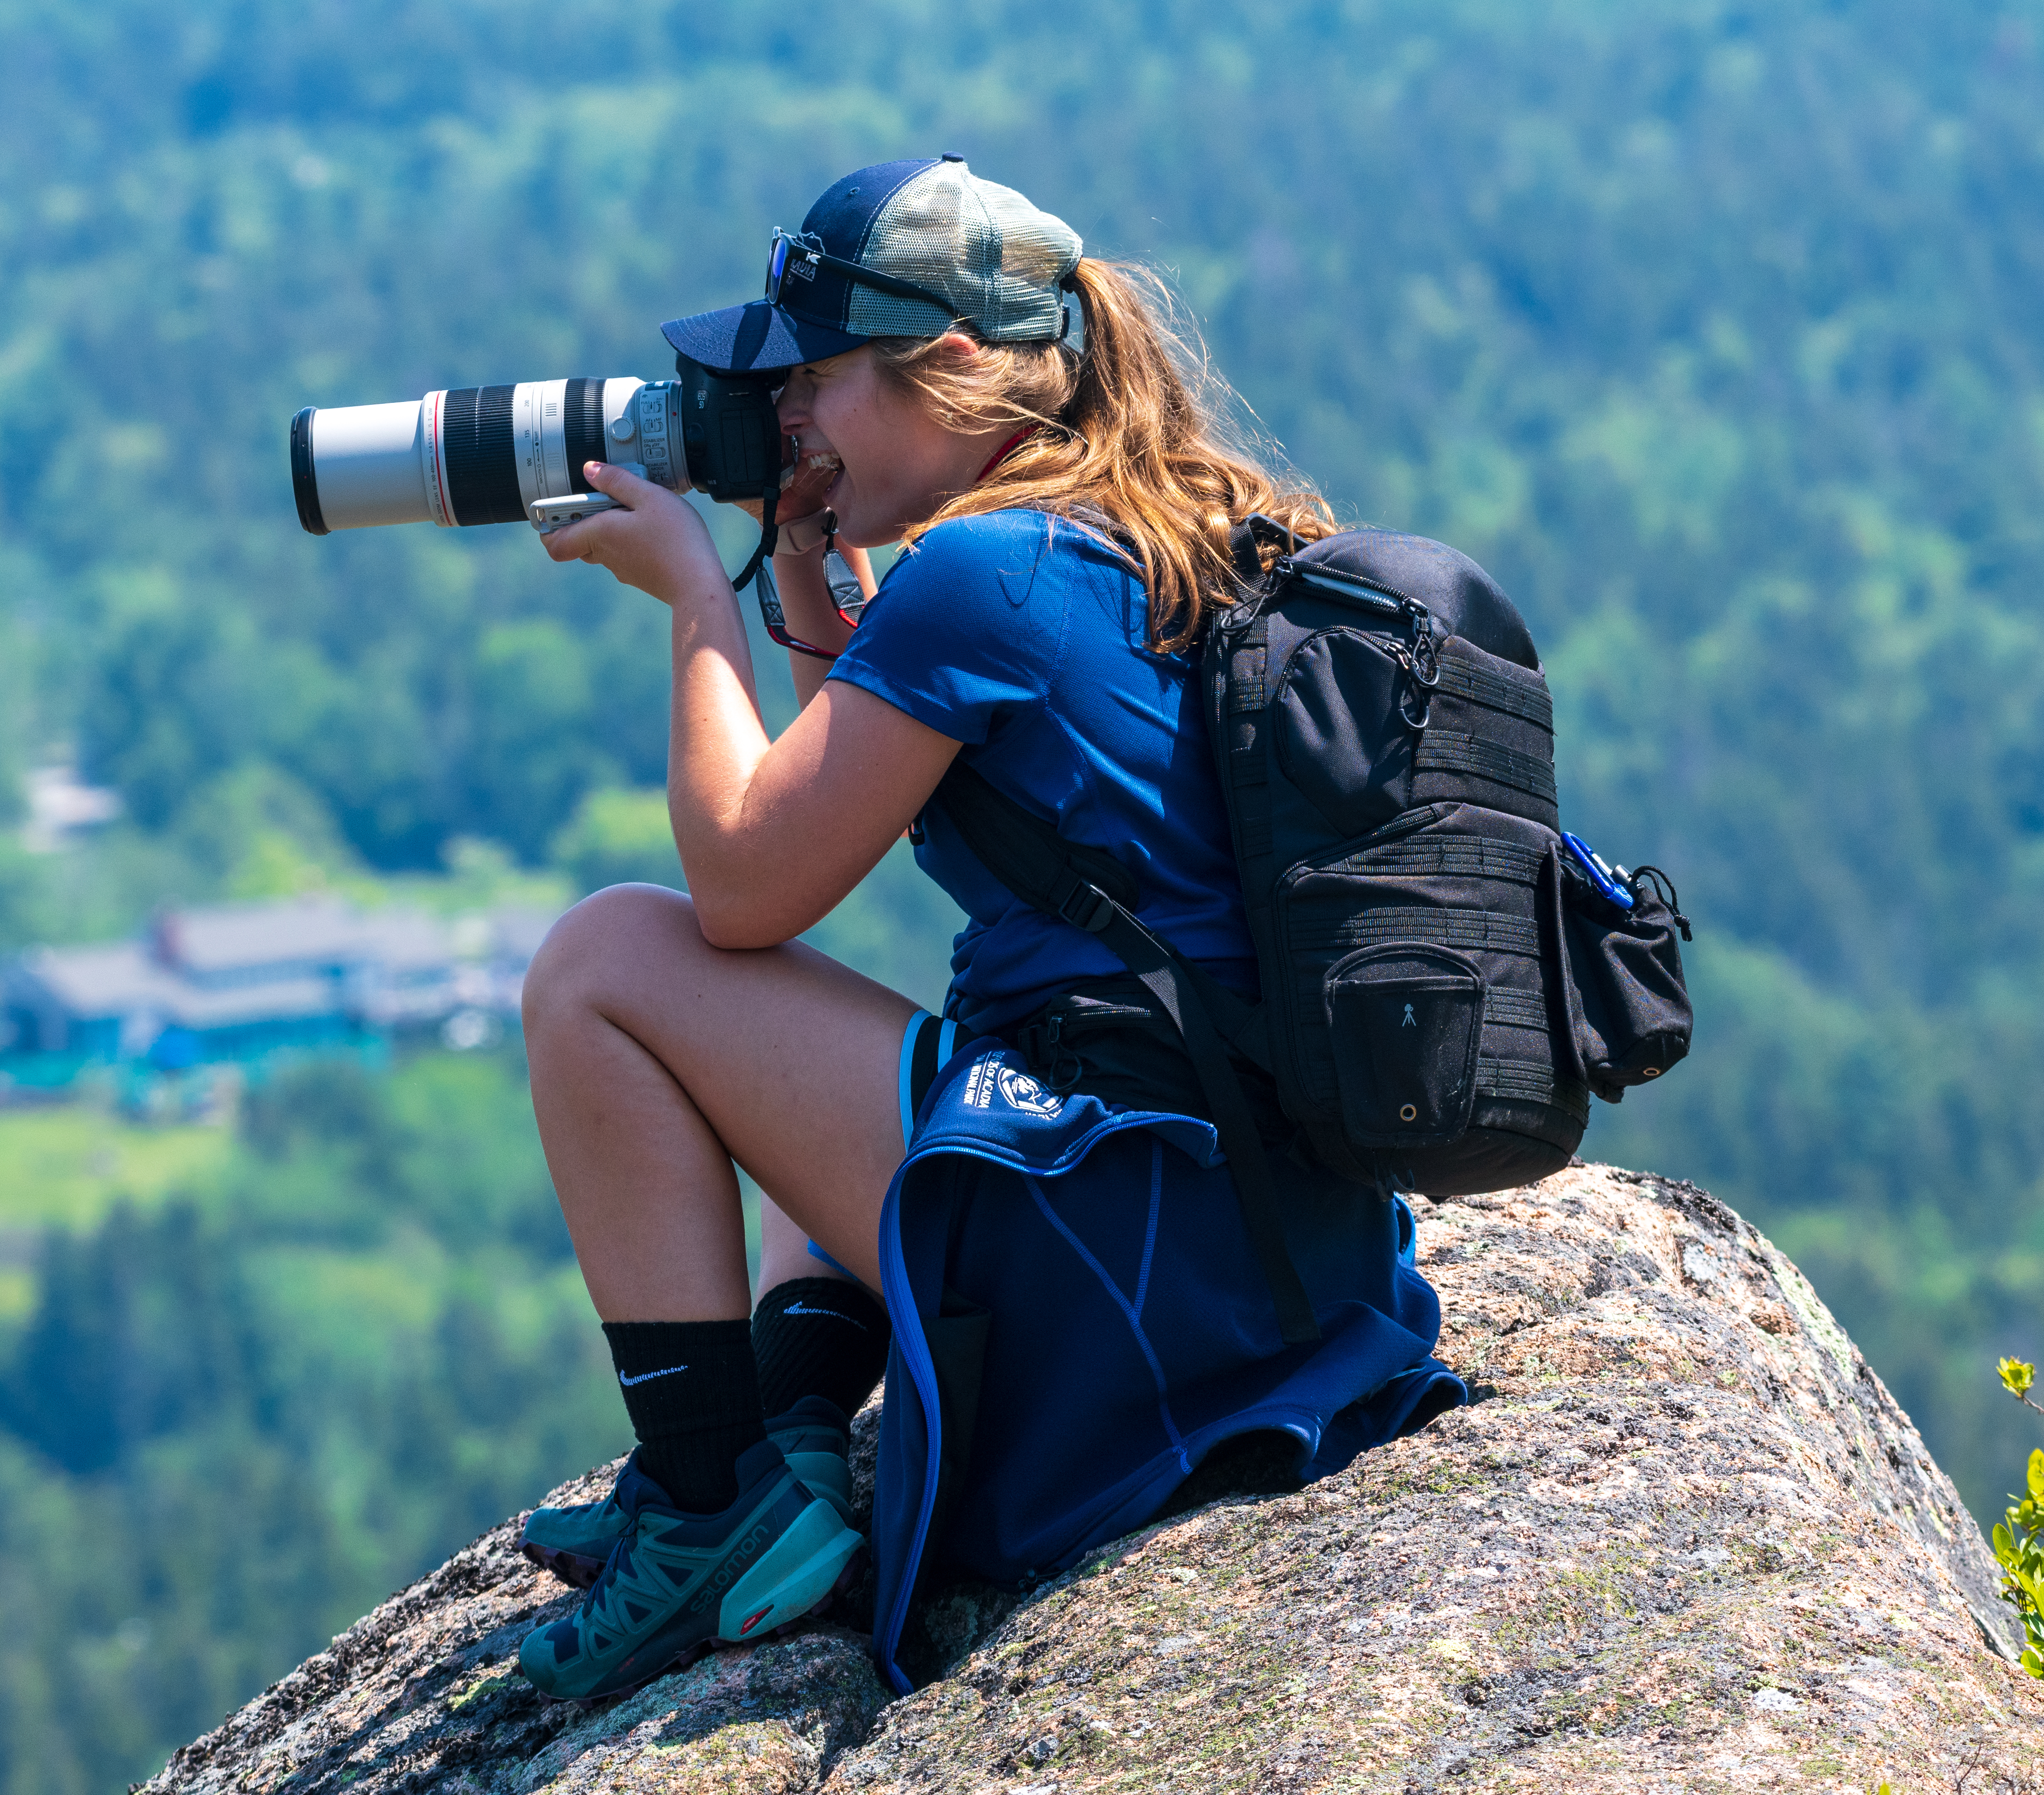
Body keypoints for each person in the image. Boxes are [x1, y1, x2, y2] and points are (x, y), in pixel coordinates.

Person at [512, 155, 1460, 1702]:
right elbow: (851, 807)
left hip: (1133, 1270)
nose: (793, 417)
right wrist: (806, 559)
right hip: (1265, 1251)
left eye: (818, 378)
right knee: (888, 1095)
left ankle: (713, 1508)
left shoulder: (983, 573)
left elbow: (751, 886)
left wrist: (698, 603)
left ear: (948, 368)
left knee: (606, 965)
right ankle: (793, 1446)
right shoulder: (1164, 528)